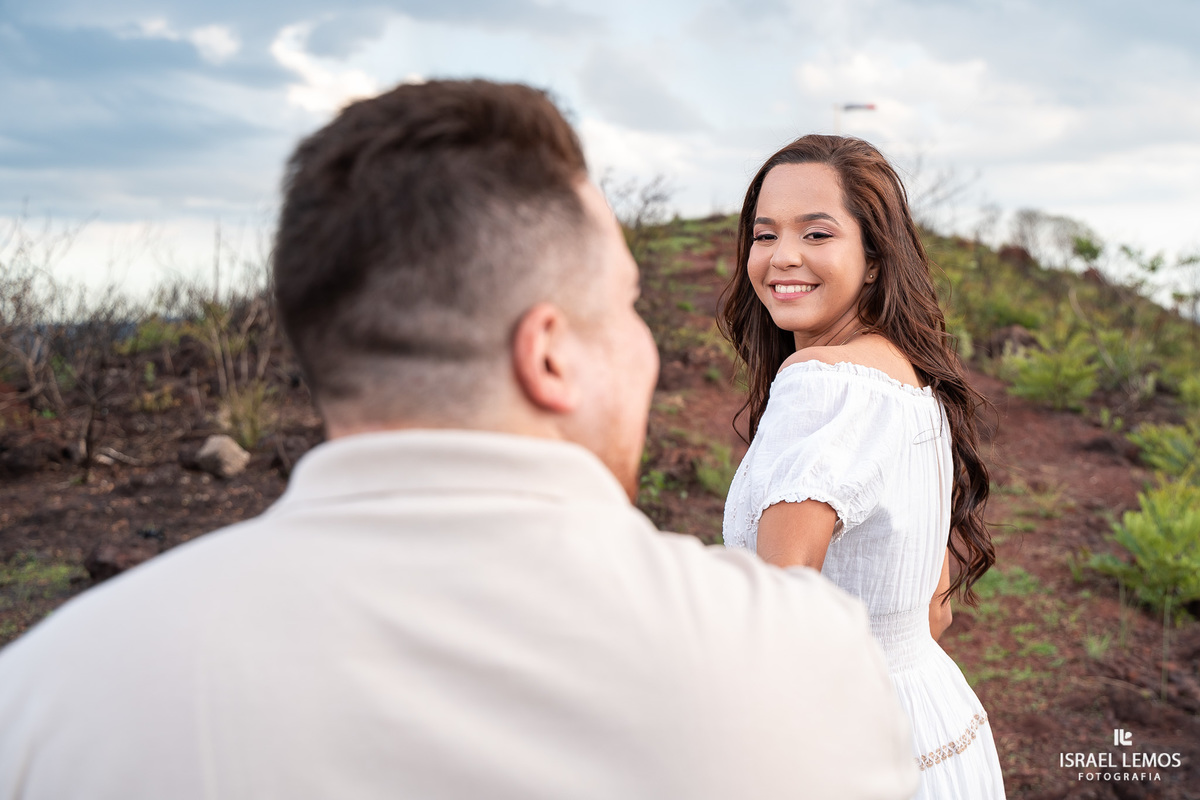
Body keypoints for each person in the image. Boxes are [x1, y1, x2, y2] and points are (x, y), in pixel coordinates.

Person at [0, 82, 919, 799]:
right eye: (628, 306)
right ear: (549, 354)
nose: (645, 343)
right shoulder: (793, 663)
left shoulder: (43, 697)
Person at [719, 134, 1007, 799]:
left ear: (874, 259)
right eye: (765, 235)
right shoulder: (908, 379)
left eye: (817, 233)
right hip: (933, 720)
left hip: (844, 747)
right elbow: (933, 611)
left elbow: (777, 621)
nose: (782, 256)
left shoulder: (823, 384)